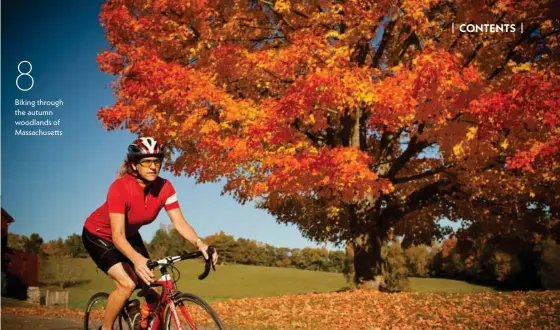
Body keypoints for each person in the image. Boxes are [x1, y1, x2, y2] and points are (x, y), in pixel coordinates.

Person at [82, 137, 218, 330]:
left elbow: (179, 223)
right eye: (146, 162)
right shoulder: (120, 188)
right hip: (99, 235)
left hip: (129, 234)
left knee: (150, 283)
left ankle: (140, 317)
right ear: (134, 165)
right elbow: (117, 235)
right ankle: (106, 327)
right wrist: (136, 260)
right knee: (127, 284)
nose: (153, 166)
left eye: (157, 161)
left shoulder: (165, 187)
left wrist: (200, 243)